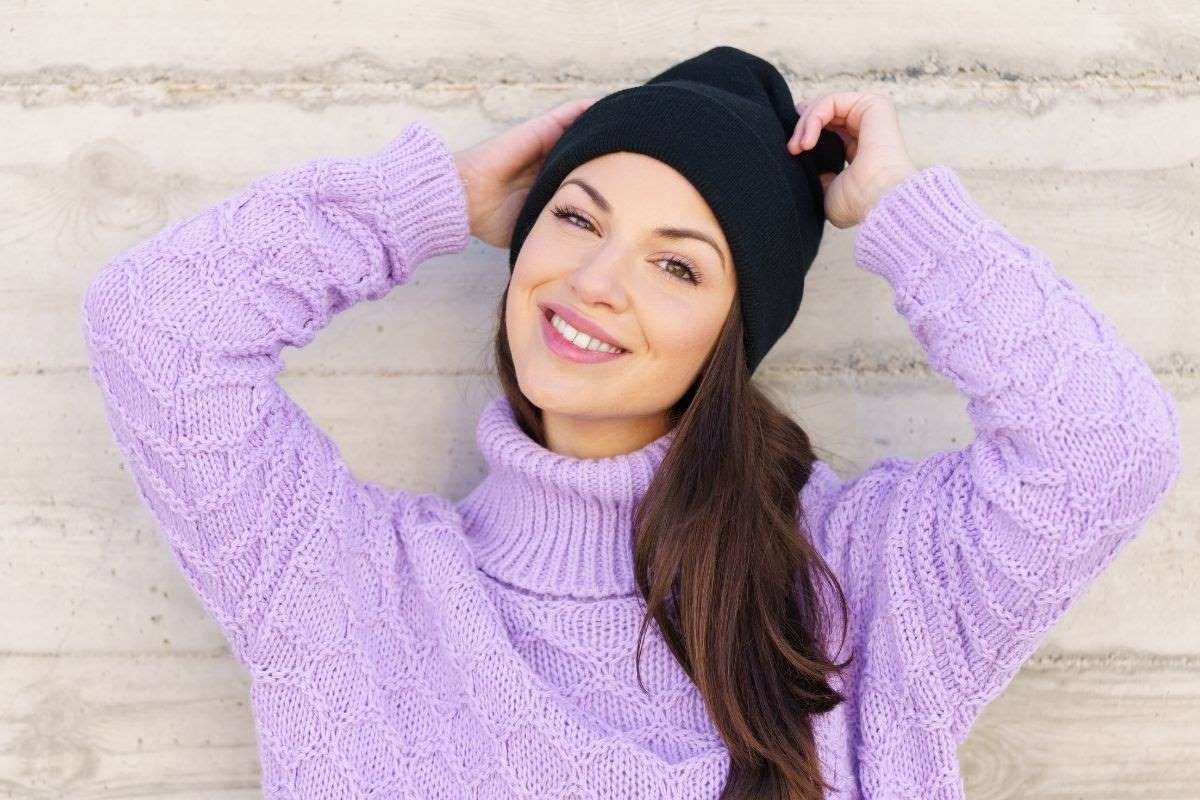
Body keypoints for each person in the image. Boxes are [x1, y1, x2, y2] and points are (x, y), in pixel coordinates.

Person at [81, 45, 1180, 800]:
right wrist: (421, 202)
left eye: (675, 264)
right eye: (574, 216)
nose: (595, 280)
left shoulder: (862, 585)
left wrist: (903, 215)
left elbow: (1106, 446)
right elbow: (153, 326)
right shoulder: (346, 584)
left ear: (730, 334)